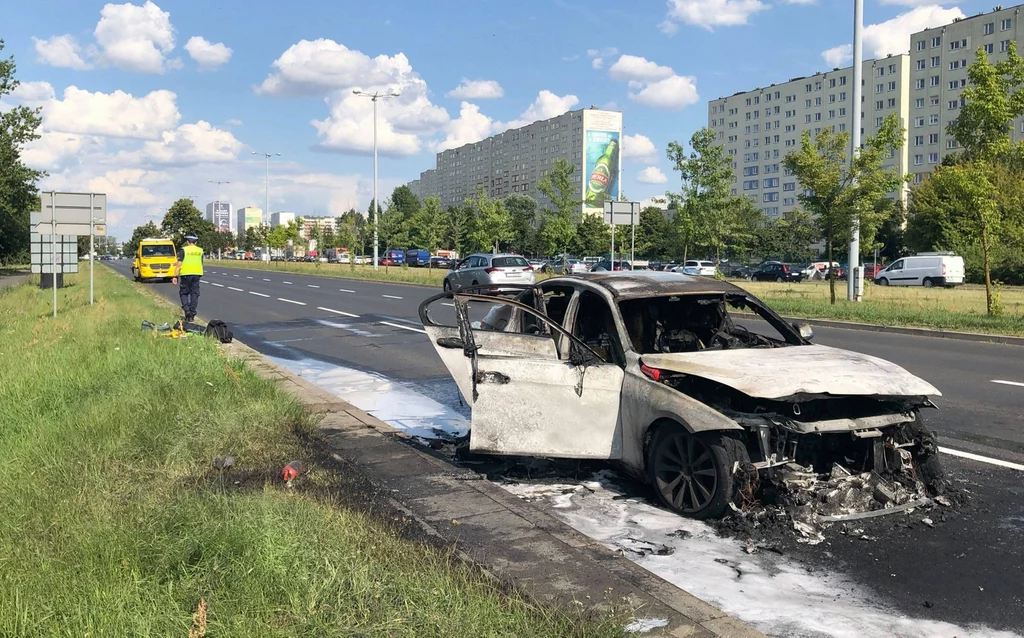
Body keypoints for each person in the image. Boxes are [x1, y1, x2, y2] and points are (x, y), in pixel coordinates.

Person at [171, 235, 203, 322]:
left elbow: (179, 264)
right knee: (194, 294)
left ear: (188, 242)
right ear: (195, 242)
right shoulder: (200, 250)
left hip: (185, 274)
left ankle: (187, 310)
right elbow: (201, 262)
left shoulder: (184, 250)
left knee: (184, 293)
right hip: (197, 274)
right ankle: (192, 314)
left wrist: (175, 276)